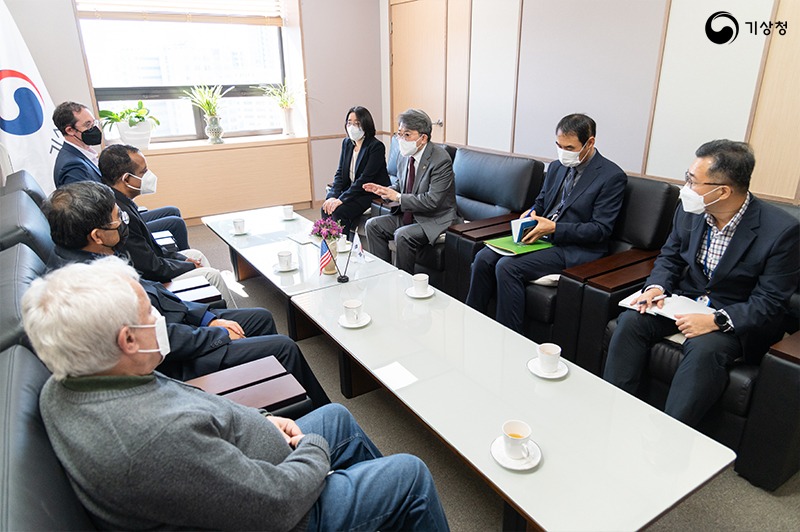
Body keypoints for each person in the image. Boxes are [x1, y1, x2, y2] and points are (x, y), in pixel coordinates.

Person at [23, 258, 450, 530]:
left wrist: (262, 420)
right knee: (408, 474)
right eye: (149, 313)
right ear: (128, 340)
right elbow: (274, 506)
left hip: (244, 463)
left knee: (336, 416)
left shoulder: (71, 382)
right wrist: (314, 453)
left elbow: (191, 411)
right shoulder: (154, 439)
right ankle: (372, 502)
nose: (160, 316)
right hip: (283, 509)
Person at [42, 181, 330, 405]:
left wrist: (206, 319)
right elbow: (158, 337)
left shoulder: (89, 255)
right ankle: (317, 412)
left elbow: (154, 293)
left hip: (179, 329)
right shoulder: (87, 287)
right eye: (117, 219)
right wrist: (216, 334)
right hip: (174, 362)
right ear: (96, 234)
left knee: (260, 318)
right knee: (283, 346)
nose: (123, 222)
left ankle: (280, 391)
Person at [603, 140, 800, 426]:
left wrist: (717, 321)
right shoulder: (689, 210)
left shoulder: (781, 231)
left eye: (693, 181)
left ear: (722, 191)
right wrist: (656, 288)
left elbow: (770, 302)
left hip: (736, 317)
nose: (685, 188)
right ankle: (614, 412)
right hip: (687, 301)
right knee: (632, 320)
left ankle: (671, 435)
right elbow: (670, 257)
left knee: (705, 350)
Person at [465, 113, 627, 334]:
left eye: (570, 148)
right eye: (559, 146)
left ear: (590, 143)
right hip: (540, 236)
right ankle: (471, 324)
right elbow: (541, 202)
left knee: (507, 267)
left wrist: (555, 228)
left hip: (573, 248)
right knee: (483, 257)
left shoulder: (611, 176)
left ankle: (507, 337)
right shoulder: (556, 167)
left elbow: (600, 229)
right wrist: (530, 213)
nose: (563, 153)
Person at [98, 143, 235, 305]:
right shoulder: (120, 214)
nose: (149, 175)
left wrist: (182, 260)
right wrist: (187, 267)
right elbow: (150, 267)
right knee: (213, 275)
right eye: (143, 172)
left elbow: (152, 250)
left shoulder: (122, 200)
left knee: (196, 254)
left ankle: (212, 305)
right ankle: (233, 321)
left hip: (153, 265)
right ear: (126, 179)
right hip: (150, 281)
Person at [52, 101, 190, 249]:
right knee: (176, 223)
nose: (94, 129)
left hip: (120, 214)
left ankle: (173, 258)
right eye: (88, 125)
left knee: (172, 211)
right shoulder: (72, 166)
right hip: (113, 228)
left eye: (94, 123)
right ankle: (181, 264)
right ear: (70, 130)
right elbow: (88, 214)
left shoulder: (83, 155)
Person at [363, 108, 458, 274]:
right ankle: (381, 276)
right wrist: (386, 191)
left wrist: (398, 197)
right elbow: (401, 184)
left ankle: (402, 283)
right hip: (410, 214)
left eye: (407, 135)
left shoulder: (440, 160)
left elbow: (432, 201)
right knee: (373, 225)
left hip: (434, 219)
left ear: (423, 138)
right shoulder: (404, 154)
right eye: (399, 133)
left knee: (402, 235)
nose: (401, 139)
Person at [321, 106, 390, 239]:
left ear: (366, 124)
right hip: (353, 190)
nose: (352, 126)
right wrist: (332, 196)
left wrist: (341, 199)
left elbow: (365, 179)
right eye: (349, 123)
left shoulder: (376, 147)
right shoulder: (347, 143)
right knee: (326, 207)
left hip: (369, 193)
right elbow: (340, 173)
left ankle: (344, 248)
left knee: (339, 211)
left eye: (357, 123)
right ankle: (329, 249)